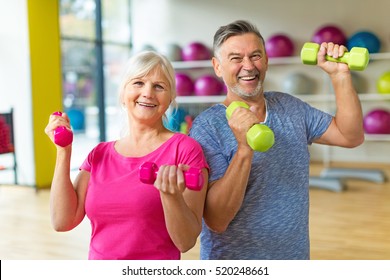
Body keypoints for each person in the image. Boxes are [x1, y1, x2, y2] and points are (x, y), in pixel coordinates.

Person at [189, 20, 364, 260]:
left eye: (255, 55)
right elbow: (217, 221)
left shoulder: (290, 107)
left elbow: (350, 136)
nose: (248, 66)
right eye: (236, 58)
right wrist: (243, 149)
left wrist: (340, 75)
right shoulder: (207, 127)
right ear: (217, 67)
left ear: (267, 60)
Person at [45, 51, 209, 260]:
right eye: (138, 83)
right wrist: (63, 151)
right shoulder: (99, 154)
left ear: (170, 99)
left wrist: (171, 196)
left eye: (159, 86)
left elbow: (185, 242)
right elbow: (62, 221)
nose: (148, 93)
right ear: (123, 94)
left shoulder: (185, 150)